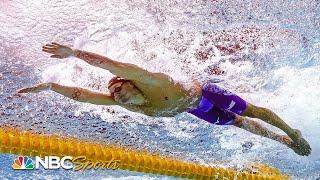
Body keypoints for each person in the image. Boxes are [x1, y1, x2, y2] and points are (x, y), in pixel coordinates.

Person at [18, 42, 311, 156]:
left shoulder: (149, 81)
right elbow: (82, 96)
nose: (115, 96)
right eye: (112, 94)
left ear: (129, 83)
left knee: (254, 112)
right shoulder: (122, 101)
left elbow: (110, 65)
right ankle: (283, 142)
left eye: (118, 89)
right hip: (196, 109)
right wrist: (50, 87)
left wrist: (74, 54)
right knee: (239, 124)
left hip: (205, 93)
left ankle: (291, 132)